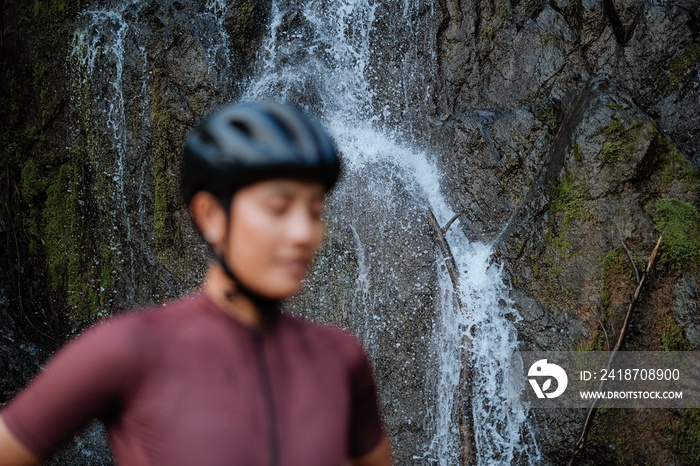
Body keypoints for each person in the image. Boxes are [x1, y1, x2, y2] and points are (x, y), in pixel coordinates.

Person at [0, 102, 393, 466]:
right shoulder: (129, 349)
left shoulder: (341, 358)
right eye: (278, 208)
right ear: (210, 216)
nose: (304, 233)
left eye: (315, 211)